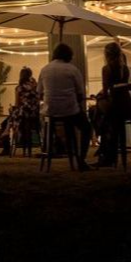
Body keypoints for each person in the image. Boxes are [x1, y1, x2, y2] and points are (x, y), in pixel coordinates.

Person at [37, 43, 91, 171]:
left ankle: (51, 150)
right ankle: (81, 159)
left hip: (50, 111)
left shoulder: (44, 69)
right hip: (69, 111)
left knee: (54, 120)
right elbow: (80, 93)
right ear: (69, 55)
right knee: (87, 128)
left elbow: (39, 93)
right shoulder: (72, 69)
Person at [97, 42, 131, 168]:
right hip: (126, 106)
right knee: (105, 118)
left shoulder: (106, 69)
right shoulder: (125, 69)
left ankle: (104, 148)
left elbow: (106, 91)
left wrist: (99, 96)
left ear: (106, 54)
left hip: (115, 106)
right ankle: (105, 149)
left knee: (98, 109)